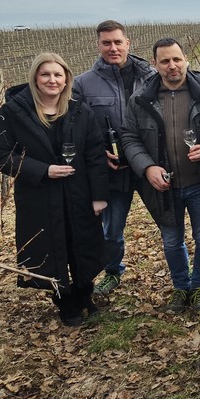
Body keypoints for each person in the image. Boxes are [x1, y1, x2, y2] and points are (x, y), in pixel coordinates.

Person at [0, 53, 109, 326]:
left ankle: (84, 293)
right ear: (35, 78)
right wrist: (42, 170)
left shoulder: (79, 110)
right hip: (39, 194)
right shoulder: (14, 112)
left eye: (57, 74)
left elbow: (95, 155)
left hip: (78, 192)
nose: (52, 80)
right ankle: (64, 300)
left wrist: (99, 196)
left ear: (66, 79)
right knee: (51, 247)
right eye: (45, 74)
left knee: (82, 243)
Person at [121, 38, 200, 315]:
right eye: (165, 61)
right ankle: (181, 287)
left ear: (185, 60)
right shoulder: (140, 101)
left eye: (176, 59)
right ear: (155, 64)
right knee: (172, 241)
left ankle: (199, 287)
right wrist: (147, 167)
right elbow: (130, 138)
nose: (172, 66)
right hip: (164, 187)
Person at [73, 20, 154, 296]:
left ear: (128, 43)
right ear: (97, 45)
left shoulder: (151, 76)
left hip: (148, 165)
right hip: (113, 169)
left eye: (118, 42)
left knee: (170, 225)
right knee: (111, 230)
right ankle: (112, 271)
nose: (113, 48)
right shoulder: (83, 84)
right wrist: (97, 154)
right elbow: (76, 128)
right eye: (106, 43)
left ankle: (182, 278)